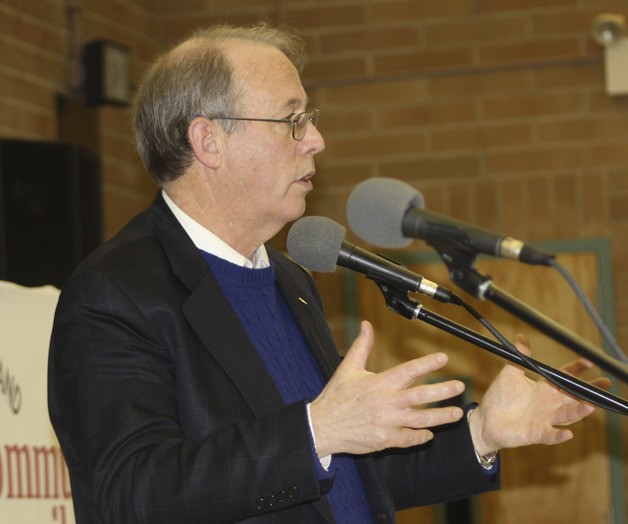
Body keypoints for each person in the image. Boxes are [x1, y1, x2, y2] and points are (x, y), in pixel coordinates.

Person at [48, 23, 608, 524]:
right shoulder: (116, 292)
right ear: (209, 141)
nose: (316, 140)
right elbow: (131, 493)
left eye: (308, 120)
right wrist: (318, 429)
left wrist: (482, 431)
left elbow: (337, 477)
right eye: (292, 120)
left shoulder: (289, 282)